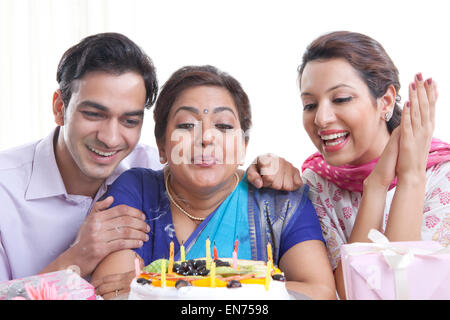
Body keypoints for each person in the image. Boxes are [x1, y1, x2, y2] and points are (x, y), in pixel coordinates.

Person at [90, 65, 336, 300]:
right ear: (162, 146)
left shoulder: (279, 200)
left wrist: (168, 283)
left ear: (243, 147)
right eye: (187, 125)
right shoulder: (137, 191)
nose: (206, 137)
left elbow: (318, 291)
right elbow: (111, 291)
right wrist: (250, 286)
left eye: (223, 125)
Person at [296, 31, 450, 299]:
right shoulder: (314, 184)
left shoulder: (441, 176)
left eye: (341, 99)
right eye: (309, 104)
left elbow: (403, 292)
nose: (321, 118)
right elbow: (348, 295)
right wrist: (375, 187)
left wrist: (411, 179)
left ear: (386, 101)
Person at [0, 33, 164, 282]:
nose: (110, 138)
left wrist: (247, 178)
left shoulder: (153, 170)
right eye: (94, 114)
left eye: (129, 121)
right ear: (59, 108)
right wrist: (77, 257)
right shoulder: (5, 191)